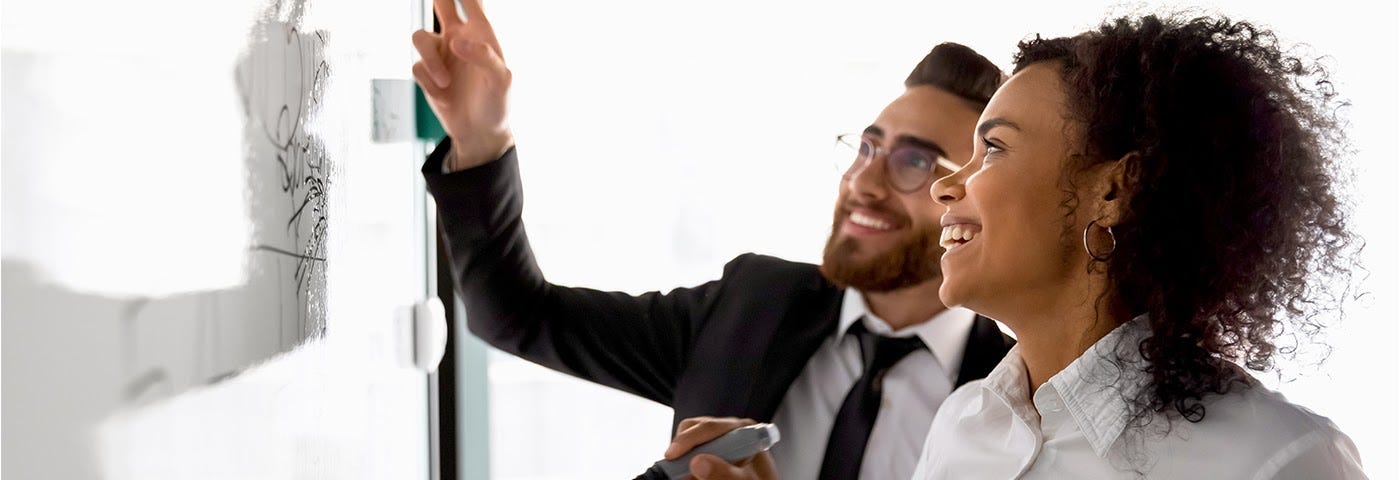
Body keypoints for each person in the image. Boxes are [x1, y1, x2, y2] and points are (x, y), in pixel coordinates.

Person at [667, 12, 1368, 480]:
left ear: (1115, 190)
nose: (948, 188)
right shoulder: (962, 424)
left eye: (992, 149)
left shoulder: (1278, 461)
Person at [409, 0, 1012, 478]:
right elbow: (519, 317)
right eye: (867, 146)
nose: (863, 180)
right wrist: (482, 143)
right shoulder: (752, 303)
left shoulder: (1019, 392)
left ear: (973, 195)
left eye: (913, 162)